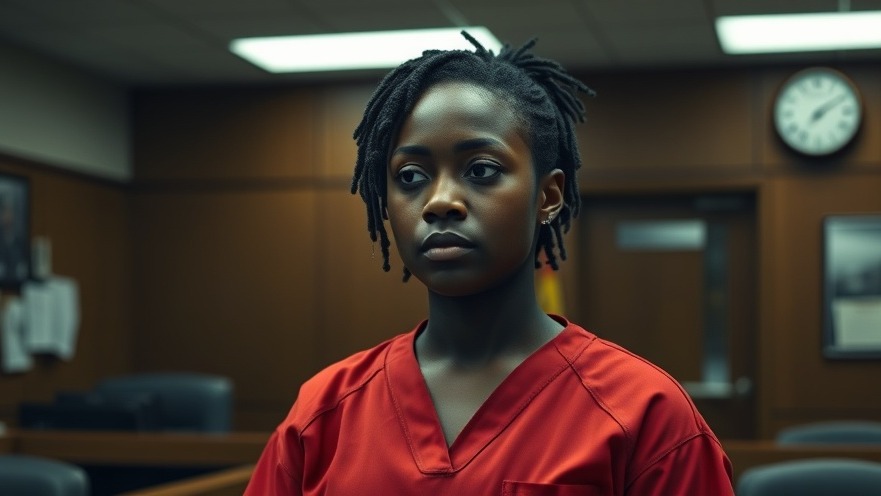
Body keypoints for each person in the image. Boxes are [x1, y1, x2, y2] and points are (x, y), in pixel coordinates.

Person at [245, 32, 734, 495]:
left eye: (481, 170)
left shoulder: (646, 413)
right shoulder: (324, 411)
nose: (439, 201)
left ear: (548, 196)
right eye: (410, 176)